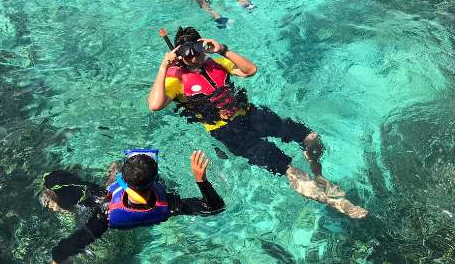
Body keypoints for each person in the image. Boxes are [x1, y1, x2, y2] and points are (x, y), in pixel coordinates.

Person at [147, 26, 368, 219]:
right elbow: (155, 105)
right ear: (179, 56)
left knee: (311, 137)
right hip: (227, 132)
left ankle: (318, 175)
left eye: (199, 50)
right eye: (189, 54)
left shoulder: (215, 62)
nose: (196, 57)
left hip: (251, 114)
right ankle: (338, 203)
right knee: (288, 169)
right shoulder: (176, 79)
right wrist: (164, 66)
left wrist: (222, 49)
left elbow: (250, 70)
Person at [42, 149, 224, 263]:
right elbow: (214, 207)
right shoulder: (170, 204)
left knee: (54, 178)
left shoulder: (105, 212)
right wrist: (201, 179)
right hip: (146, 206)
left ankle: (68, 203)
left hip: (107, 206)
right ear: (156, 181)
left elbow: (63, 250)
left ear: (123, 180)